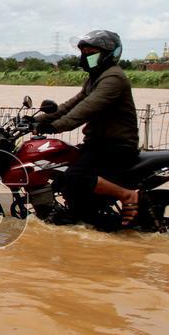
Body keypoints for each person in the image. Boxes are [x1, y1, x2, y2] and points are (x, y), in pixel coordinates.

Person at [34, 29, 142, 226]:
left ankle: (127, 195)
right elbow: (70, 105)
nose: (85, 57)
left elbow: (84, 110)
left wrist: (54, 127)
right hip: (96, 144)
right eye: (83, 53)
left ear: (108, 54)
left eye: (91, 53)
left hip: (116, 147)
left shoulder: (113, 78)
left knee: (76, 176)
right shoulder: (94, 78)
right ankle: (79, 216)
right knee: (60, 174)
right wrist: (37, 120)